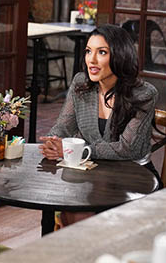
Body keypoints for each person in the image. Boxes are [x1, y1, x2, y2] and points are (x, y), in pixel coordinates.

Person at [39, 24, 159, 235]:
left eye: (102, 52)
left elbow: (127, 149)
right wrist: (53, 141)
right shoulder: (81, 83)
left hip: (134, 176)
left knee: (80, 215)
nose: (91, 60)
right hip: (94, 170)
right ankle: (53, 250)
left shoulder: (144, 94)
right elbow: (64, 125)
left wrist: (79, 150)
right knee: (55, 199)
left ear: (120, 55)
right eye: (88, 51)